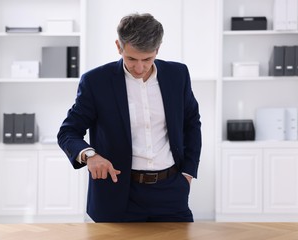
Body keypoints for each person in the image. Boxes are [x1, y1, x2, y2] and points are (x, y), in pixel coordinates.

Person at [57, 13, 201, 222]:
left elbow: (192, 123)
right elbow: (68, 131)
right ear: (119, 46)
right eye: (131, 58)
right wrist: (90, 155)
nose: (139, 68)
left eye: (147, 59)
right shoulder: (96, 82)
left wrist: (188, 173)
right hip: (117, 193)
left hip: (171, 191)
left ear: (158, 50)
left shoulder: (177, 74)